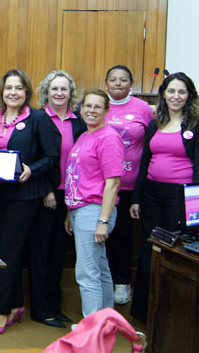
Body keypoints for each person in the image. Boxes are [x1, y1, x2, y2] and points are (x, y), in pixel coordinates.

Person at [0, 69, 61, 333]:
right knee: (0, 250)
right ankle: (15, 304)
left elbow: (51, 157)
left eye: (18, 88)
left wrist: (32, 169)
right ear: (2, 91)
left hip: (24, 195)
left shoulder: (38, 118)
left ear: (27, 92)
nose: (12, 93)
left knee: (10, 252)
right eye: (8, 88)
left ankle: (1, 310)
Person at [129, 73, 199, 322]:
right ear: (163, 94)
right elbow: (144, 163)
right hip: (152, 193)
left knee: (176, 251)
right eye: (171, 91)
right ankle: (144, 310)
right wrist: (136, 198)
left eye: (181, 92)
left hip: (180, 197)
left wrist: (195, 208)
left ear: (189, 96)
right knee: (148, 248)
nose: (176, 96)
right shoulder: (155, 122)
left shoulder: (198, 125)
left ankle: (171, 313)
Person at [64, 88, 124, 318]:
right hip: (81, 209)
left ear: (107, 111)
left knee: (87, 272)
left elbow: (113, 183)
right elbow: (79, 177)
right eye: (88, 105)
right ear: (81, 109)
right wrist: (71, 211)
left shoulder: (109, 138)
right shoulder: (85, 135)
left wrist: (103, 221)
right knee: (100, 268)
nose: (91, 110)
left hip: (96, 211)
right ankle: (106, 322)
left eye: (98, 106)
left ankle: (92, 330)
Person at [36, 70, 86, 324]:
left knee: (58, 253)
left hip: (71, 195)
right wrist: (46, 189)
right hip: (45, 193)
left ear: (70, 93)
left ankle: (55, 308)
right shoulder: (38, 118)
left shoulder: (78, 122)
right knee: (41, 251)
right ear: (46, 91)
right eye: (54, 89)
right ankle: (42, 310)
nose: (59, 93)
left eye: (63, 89)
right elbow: (35, 158)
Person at [102, 65, 154, 306]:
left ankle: (122, 282)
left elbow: (154, 143)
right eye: (113, 80)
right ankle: (104, 283)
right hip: (101, 185)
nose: (118, 83)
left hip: (130, 186)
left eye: (123, 80)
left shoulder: (143, 109)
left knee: (123, 235)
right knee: (103, 235)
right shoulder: (99, 105)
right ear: (106, 84)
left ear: (131, 84)